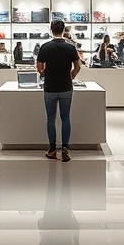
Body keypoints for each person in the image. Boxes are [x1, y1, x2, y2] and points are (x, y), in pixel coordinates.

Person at [37, 20, 81, 162]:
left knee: (51, 119)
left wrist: (44, 74)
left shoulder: (45, 47)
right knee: (65, 118)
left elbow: (39, 67)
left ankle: (51, 149)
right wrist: (71, 76)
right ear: (63, 30)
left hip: (50, 87)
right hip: (66, 88)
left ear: (51, 29)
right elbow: (77, 66)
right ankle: (65, 149)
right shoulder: (70, 47)